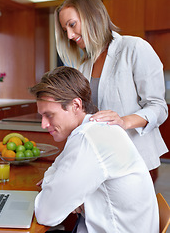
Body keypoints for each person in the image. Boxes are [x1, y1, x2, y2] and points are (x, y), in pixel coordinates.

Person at [30, 66, 159, 233]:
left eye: (49, 115)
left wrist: (56, 187)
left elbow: (46, 214)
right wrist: (62, 189)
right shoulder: (95, 129)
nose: (44, 125)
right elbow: (56, 168)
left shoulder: (88, 137)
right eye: (42, 116)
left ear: (75, 105)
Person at [54, 0, 168, 182]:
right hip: (100, 159)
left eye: (72, 25)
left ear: (92, 16)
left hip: (134, 158)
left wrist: (123, 121)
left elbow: (158, 107)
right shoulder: (83, 66)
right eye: (65, 29)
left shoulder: (134, 48)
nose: (69, 35)